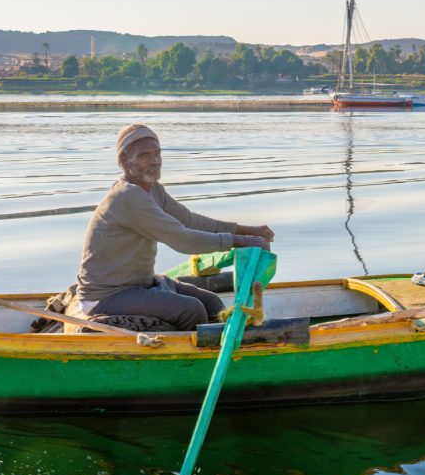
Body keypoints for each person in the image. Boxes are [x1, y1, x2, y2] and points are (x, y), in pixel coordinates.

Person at [68, 125, 276, 330]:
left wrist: (244, 230)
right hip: (107, 296)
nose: (155, 162)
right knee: (191, 309)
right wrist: (239, 242)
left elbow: (189, 220)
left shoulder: (153, 189)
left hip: (140, 283)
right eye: (145, 156)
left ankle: (212, 345)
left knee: (211, 303)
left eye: (157, 154)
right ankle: (193, 359)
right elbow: (182, 239)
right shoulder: (128, 196)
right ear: (123, 161)